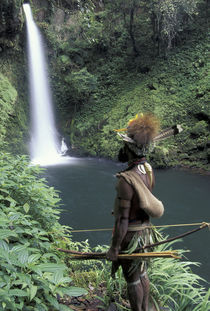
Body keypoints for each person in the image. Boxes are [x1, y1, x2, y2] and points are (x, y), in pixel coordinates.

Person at [106, 113, 164, 311]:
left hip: (130, 236)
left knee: (132, 279)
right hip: (145, 232)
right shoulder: (147, 169)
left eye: (124, 145)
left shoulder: (126, 180)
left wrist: (114, 248)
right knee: (142, 273)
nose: (122, 148)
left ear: (129, 148)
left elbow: (122, 219)